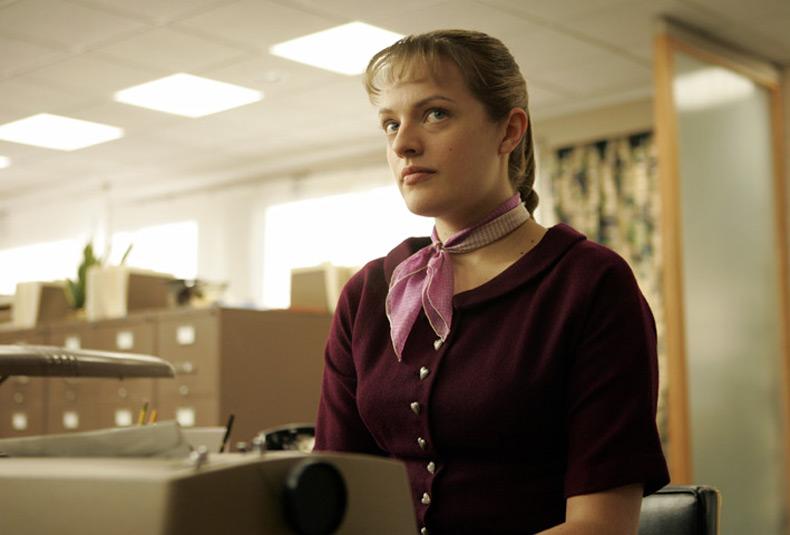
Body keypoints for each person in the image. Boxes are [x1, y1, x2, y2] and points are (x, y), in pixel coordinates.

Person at [314, 29, 669, 535]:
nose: (403, 143)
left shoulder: (590, 283)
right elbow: (334, 497)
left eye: (435, 113)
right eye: (390, 123)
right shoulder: (368, 293)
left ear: (509, 131)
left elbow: (602, 526)